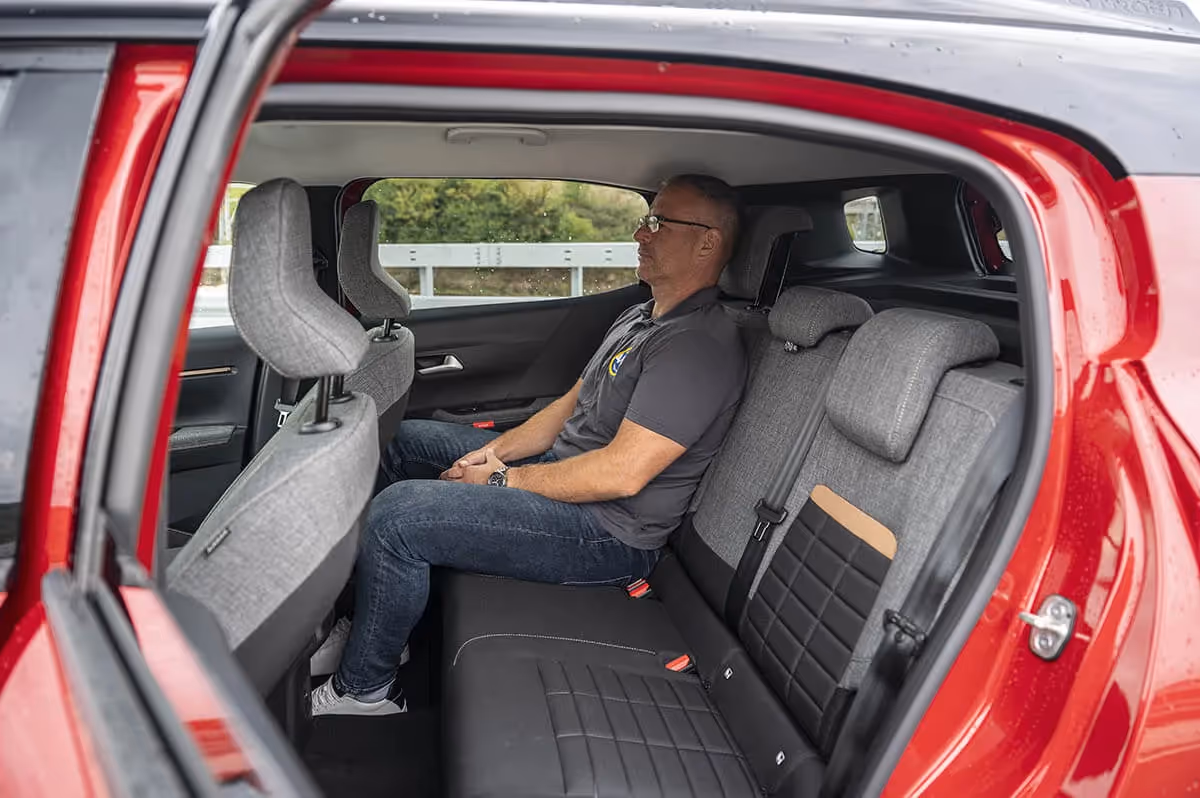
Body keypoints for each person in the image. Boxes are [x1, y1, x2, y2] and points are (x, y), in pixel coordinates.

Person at [311, 174, 748, 716]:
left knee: (397, 517)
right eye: (646, 220)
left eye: (659, 223)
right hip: (564, 478)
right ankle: (378, 625)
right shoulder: (643, 317)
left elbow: (622, 474)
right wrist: (496, 454)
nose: (641, 233)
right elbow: (569, 407)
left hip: (607, 534)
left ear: (707, 242)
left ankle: (364, 690)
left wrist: (500, 480)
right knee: (395, 444)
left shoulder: (697, 347)